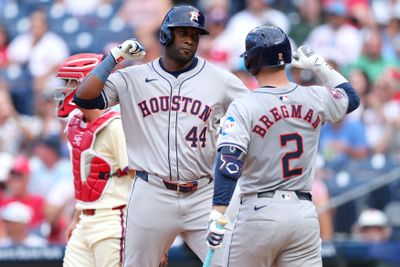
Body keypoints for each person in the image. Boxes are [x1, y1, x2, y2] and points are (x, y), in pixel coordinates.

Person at [74, 5, 249, 267]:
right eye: (183, 32)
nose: (190, 39)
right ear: (165, 35)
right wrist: (113, 58)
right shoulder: (133, 78)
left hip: (203, 193)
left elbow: (254, 112)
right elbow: (84, 98)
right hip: (152, 192)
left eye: (195, 34)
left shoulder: (220, 80)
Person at [206, 25, 360, 267]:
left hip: (260, 213)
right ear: (286, 57)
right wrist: (318, 64)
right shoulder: (314, 97)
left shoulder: (245, 105)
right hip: (303, 215)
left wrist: (218, 212)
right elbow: (351, 98)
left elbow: (229, 161)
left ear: (252, 61)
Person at [55, 53, 134, 267]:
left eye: (69, 82)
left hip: (114, 221)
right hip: (84, 220)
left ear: (86, 82)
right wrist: (75, 217)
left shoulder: (116, 125)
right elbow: (84, 180)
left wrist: (149, 234)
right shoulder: (75, 124)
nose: (63, 89)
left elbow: (141, 182)